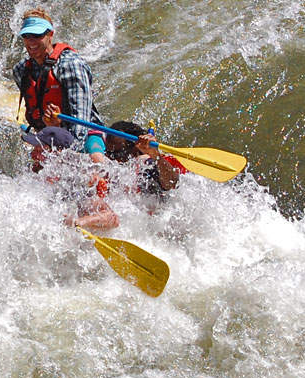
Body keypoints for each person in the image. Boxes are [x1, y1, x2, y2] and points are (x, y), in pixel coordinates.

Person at [11, 8, 104, 142]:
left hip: (85, 137)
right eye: (26, 36)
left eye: (37, 35)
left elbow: (80, 124)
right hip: (50, 136)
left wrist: (67, 153)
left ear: (50, 35)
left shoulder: (71, 65)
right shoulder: (21, 70)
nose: (31, 41)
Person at [24, 126, 118, 230]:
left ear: (56, 154)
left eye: (38, 150)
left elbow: (112, 218)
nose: (32, 155)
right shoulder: (37, 180)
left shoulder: (75, 183)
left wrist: (79, 222)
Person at [96, 121, 186, 195]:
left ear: (135, 149)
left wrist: (155, 155)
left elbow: (172, 183)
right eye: (108, 152)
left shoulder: (145, 163)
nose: (110, 157)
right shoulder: (108, 163)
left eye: (117, 153)